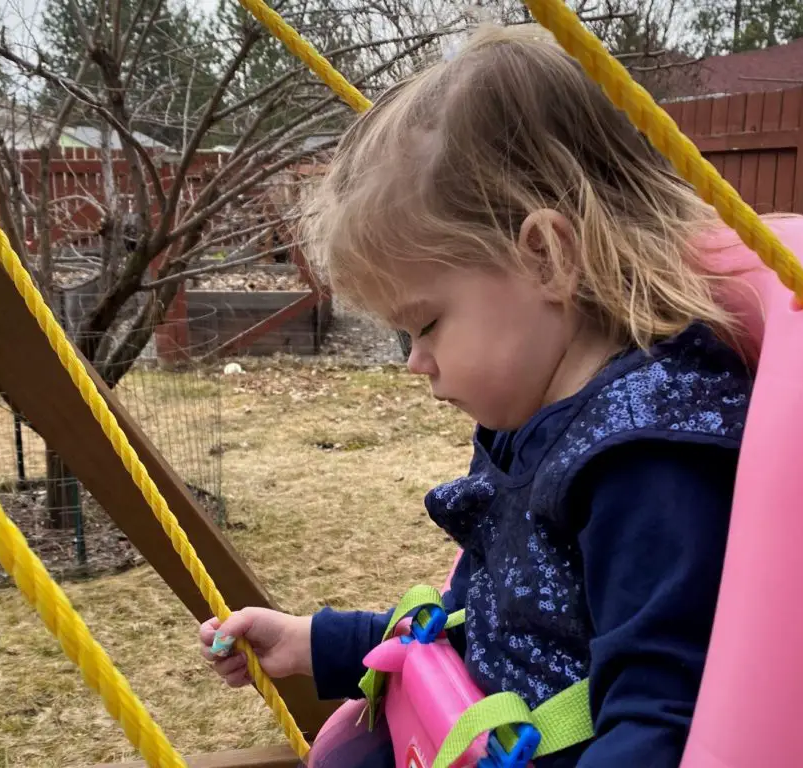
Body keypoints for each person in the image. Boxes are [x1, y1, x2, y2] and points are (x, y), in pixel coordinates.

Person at [199, 23, 754, 767]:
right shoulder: (549, 424)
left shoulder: (645, 464)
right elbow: (504, 624)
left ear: (547, 256)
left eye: (423, 324)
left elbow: (660, 721)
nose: (415, 362)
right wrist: (316, 643)